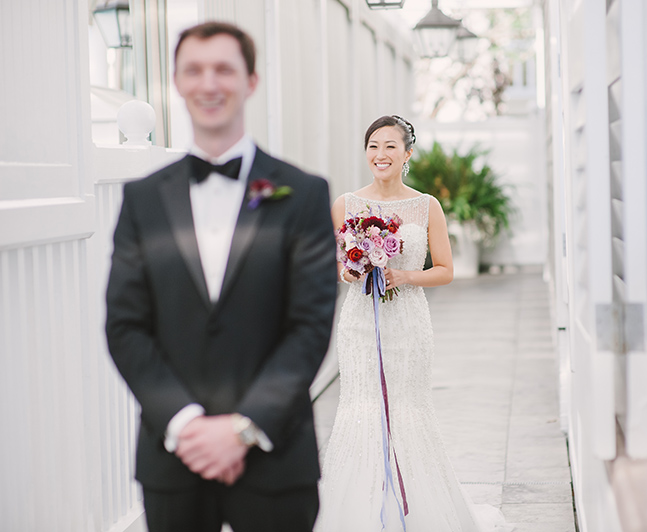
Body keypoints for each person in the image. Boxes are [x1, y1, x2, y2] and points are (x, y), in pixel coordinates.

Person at [105, 22, 337, 532]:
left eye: (224, 69)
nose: (209, 84)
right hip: (174, 457)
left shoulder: (302, 194)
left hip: (275, 456)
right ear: (177, 82)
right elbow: (125, 326)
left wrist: (243, 429)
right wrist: (186, 423)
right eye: (194, 70)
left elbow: (310, 325)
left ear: (250, 81)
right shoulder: (142, 200)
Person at [315, 115, 509, 531]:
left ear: (407, 154)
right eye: (372, 146)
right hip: (360, 322)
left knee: (406, 409)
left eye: (389, 146)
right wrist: (348, 270)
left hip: (407, 321)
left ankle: (416, 510)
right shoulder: (346, 205)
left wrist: (405, 276)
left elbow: (445, 269)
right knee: (361, 407)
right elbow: (330, 263)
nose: (380, 155)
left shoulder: (426, 206)